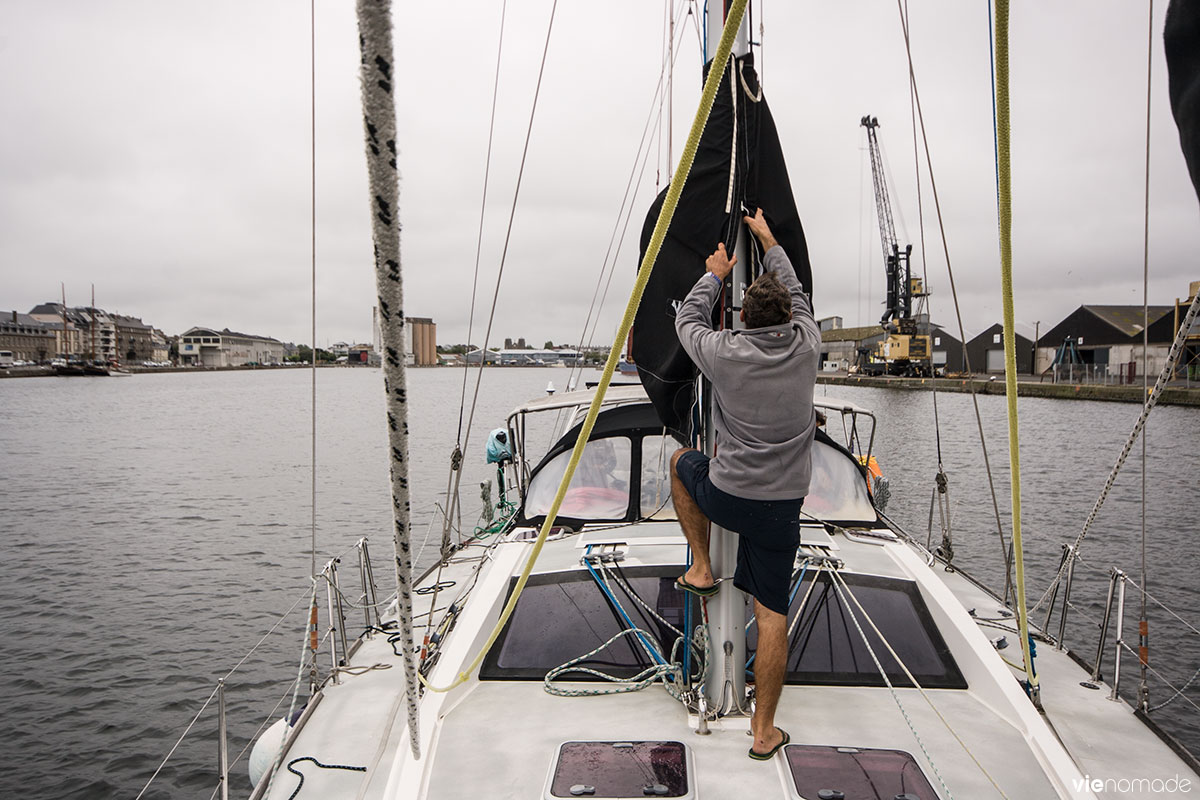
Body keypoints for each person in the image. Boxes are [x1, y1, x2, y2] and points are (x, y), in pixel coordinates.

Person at [669, 208, 820, 761]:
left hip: (728, 498)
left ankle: (702, 566)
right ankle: (762, 733)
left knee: (682, 461)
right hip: (781, 511)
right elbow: (799, 292)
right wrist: (769, 240)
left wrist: (714, 274)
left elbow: (687, 323)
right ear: (788, 317)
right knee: (772, 616)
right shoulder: (808, 346)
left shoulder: (725, 353)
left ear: (745, 322)